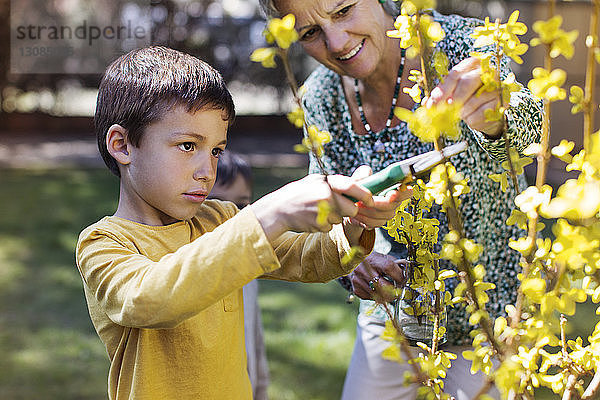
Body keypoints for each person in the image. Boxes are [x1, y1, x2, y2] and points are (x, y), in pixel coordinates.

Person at [75, 45, 411, 400]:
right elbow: (152, 299)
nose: (207, 172)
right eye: (188, 146)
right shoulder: (103, 243)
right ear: (122, 145)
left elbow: (314, 258)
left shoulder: (218, 219)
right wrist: (271, 213)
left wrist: (355, 223)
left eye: (216, 151)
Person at [258, 1, 543, 399]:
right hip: (391, 320)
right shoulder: (321, 97)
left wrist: (497, 118)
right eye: (310, 33)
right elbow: (325, 217)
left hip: (488, 322)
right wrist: (353, 262)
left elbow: (528, 141)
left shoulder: (457, 45)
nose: (336, 43)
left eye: (342, 10)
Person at [207, 151, 270, 400]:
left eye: (241, 205)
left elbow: (254, 342)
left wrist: (261, 389)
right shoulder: (180, 274)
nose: (229, 216)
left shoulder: (246, 270)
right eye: (215, 204)